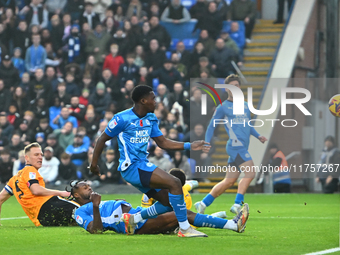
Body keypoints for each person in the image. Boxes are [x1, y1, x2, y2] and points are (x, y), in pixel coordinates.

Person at [89, 85, 211, 237]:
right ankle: (185, 229)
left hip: (141, 165)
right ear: (143, 100)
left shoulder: (151, 118)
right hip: (132, 167)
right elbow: (102, 139)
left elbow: (163, 143)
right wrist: (94, 164)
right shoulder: (121, 118)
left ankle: (134, 219)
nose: (156, 101)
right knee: (175, 183)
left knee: (167, 202)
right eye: (153, 98)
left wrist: (189, 145)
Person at [195, 75, 267, 215]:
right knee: (251, 173)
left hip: (242, 147)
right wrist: (207, 142)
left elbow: (248, 125)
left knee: (228, 181)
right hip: (236, 146)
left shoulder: (245, 105)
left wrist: (258, 136)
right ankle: (237, 204)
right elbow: (211, 126)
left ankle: (203, 203)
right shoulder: (223, 107)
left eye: (237, 86)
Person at [72, 180, 249, 234]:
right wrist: (95, 206)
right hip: (132, 225)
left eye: (88, 184)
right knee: (184, 213)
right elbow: (95, 230)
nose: (88, 186)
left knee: (168, 203)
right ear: (77, 195)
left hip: (137, 215)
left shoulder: (99, 201)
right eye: (83, 186)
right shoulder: (80, 211)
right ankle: (233, 225)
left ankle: (184, 225)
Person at [0, 142, 78, 226]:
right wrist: (60, 192)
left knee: (77, 219)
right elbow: (36, 190)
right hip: (49, 206)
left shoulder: (13, 180)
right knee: (85, 207)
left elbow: (0, 199)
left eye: (41, 155)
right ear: (27, 158)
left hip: (42, 219)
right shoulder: (30, 170)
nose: (40, 157)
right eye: (36, 155)